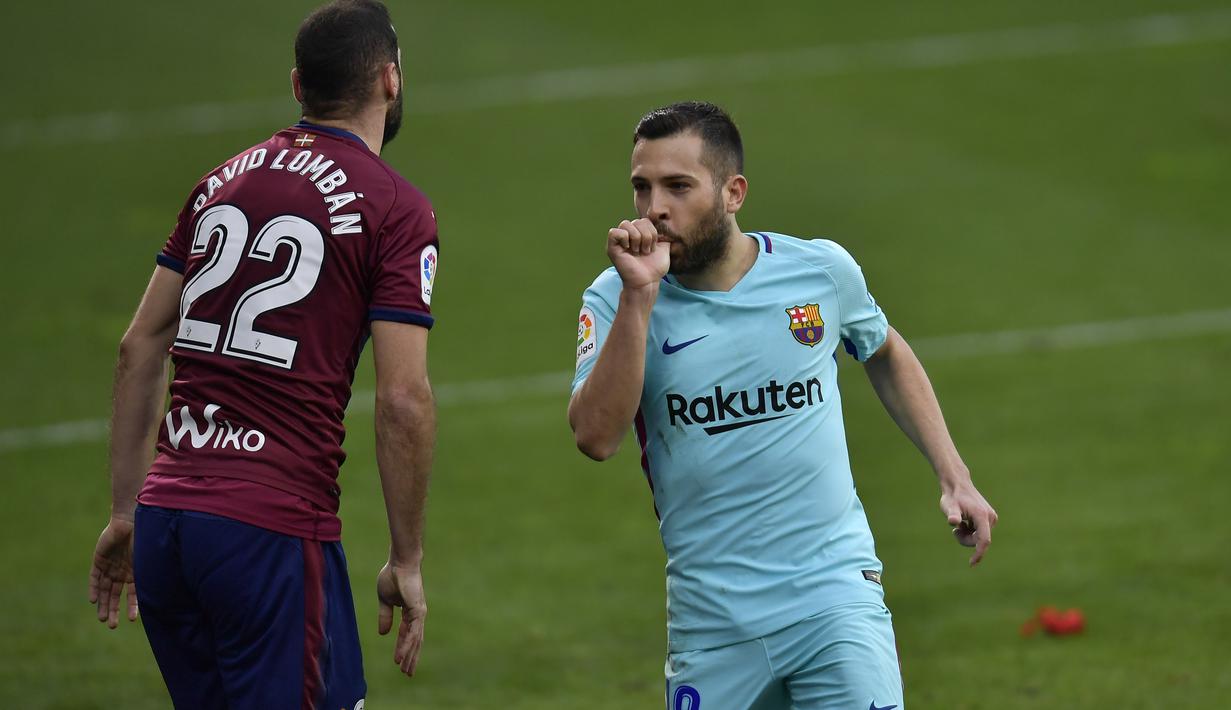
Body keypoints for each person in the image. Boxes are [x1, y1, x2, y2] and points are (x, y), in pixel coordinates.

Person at [568, 101, 997, 709]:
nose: (654, 208)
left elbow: (885, 351)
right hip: (713, 626)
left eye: (678, 186)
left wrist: (955, 477)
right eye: (642, 187)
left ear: (733, 192)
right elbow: (595, 437)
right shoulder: (615, 296)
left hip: (834, 598)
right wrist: (640, 297)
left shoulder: (818, 272)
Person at [87, 1, 437, 706]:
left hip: (166, 527)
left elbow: (139, 344)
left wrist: (127, 513)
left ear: (297, 85)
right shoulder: (395, 207)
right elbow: (402, 399)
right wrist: (406, 556)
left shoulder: (222, 179)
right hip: (268, 531)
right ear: (389, 79)